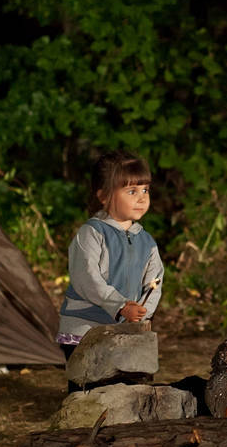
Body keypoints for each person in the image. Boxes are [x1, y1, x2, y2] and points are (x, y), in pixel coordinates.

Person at [57, 150, 164, 386]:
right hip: (85, 328)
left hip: (125, 328)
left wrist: (143, 311)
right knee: (90, 386)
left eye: (145, 190)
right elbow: (87, 279)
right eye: (131, 191)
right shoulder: (92, 234)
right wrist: (121, 305)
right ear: (104, 196)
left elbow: (154, 281)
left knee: (128, 385)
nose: (142, 198)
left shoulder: (146, 241)